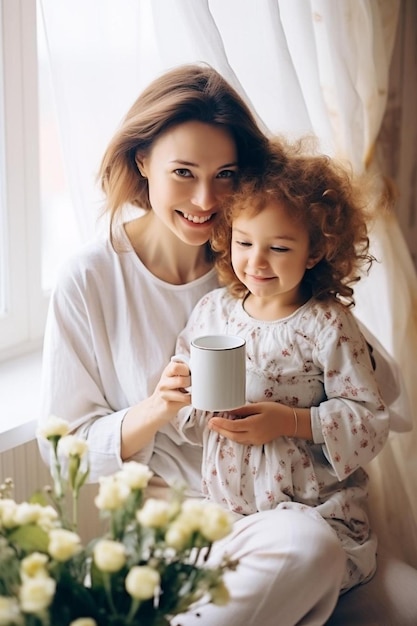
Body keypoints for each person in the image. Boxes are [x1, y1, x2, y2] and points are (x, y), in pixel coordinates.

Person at [37, 64, 393, 625]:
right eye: (183, 172)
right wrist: (158, 409)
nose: (205, 199)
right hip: (183, 528)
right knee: (309, 551)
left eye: (226, 174)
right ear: (142, 162)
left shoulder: (262, 264)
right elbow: (63, 452)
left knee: (315, 546)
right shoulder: (91, 278)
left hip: (290, 517)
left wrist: (294, 412)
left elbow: (380, 397)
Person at [167, 138, 389, 619]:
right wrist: (179, 392)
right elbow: (186, 407)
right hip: (226, 511)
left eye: (280, 247)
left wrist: (290, 421)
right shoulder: (214, 312)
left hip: (310, 512)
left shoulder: (326, 325)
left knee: (299, 559)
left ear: (314, 253)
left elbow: (369, 419)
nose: (257, 262)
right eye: (245, 243)